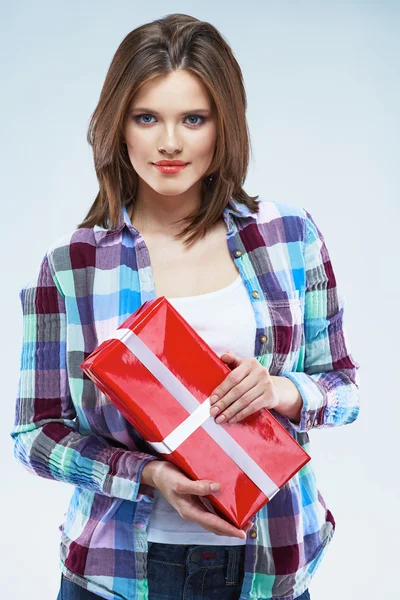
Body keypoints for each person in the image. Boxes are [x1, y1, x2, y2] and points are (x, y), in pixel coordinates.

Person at [10, 13, 361, 600]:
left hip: (270, 565)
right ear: (118, 126)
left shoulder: (290, 238)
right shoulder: (71, 264)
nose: (169, 142)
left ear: (224, 126)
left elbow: (345, 388)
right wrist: (149, 476)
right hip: (114, 573)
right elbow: (33, 434)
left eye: (193, 119)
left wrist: (281, 390)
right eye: (147, 117)